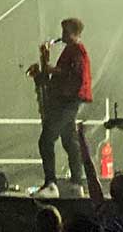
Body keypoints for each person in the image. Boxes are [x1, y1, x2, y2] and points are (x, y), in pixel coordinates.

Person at [32, 18, 92, 197]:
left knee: (46, 139)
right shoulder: (70, 50)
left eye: (65, 32)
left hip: (69, 100)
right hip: (64, 99)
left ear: (74, 33)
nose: (62, 35)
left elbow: (75, 74)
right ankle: (76, 183)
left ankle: (51, 183)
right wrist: (46, 67)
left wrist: (52, 70)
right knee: (69, 141)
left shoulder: (77, 50)